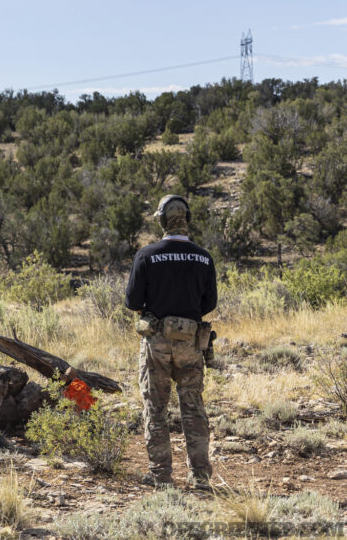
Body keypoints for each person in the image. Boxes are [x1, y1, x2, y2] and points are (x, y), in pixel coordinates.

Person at [125, 195, 218, 490]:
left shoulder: (147, 255)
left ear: (162, 220)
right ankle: (201, 477)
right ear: (187, 218)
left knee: (155, 409)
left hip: (157, 343)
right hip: (192, 342)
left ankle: (161, 477)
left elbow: (132, 301)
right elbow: (210, 302)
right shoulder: (203, 257)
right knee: (193, 407)